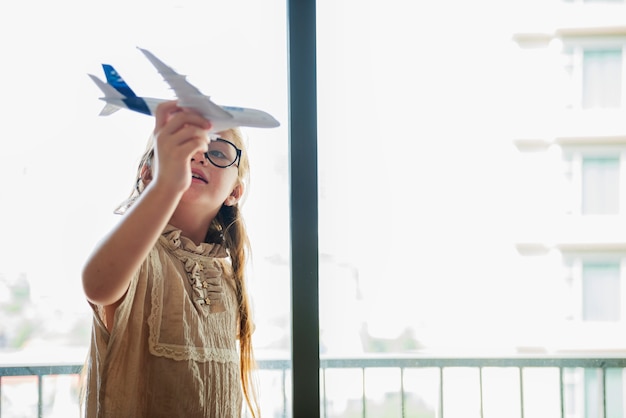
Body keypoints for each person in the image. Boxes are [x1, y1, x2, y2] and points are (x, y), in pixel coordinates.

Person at [81, 100, 259, 417]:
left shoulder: (226, 277)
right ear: (148, 174)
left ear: (235, 192)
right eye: (184, 147)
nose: (200, 153)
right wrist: (169, 183)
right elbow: (98, 285)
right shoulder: (140, 255)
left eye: (218, 152)